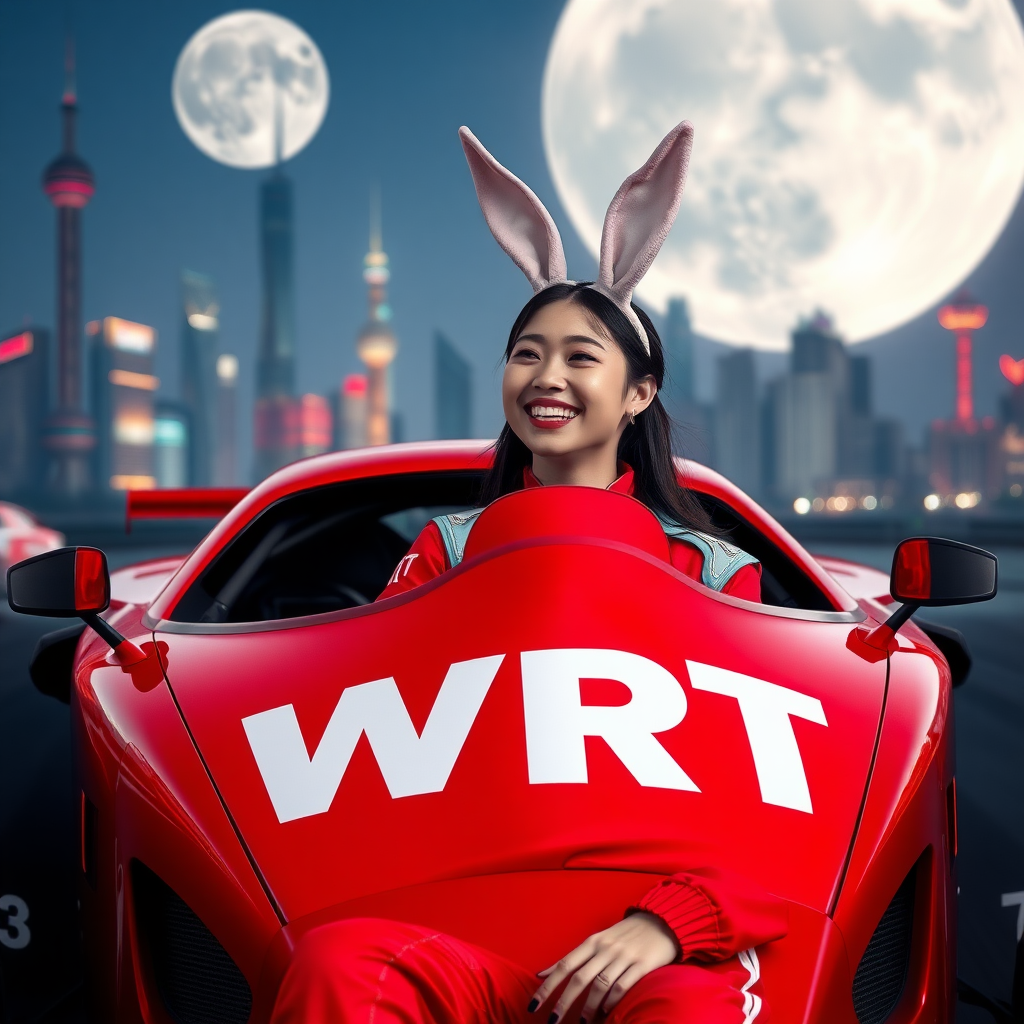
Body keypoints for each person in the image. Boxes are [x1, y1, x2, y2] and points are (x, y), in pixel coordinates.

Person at [270, 123, 785, 1024]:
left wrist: (673, 922)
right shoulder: (442, 554)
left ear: (639, 391)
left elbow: (777, 788)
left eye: (581, 355)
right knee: (337, 963)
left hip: (649, 948)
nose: (546, 375)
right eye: (527, 353)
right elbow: (366, 712)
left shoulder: (716, 571)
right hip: (455, 919)